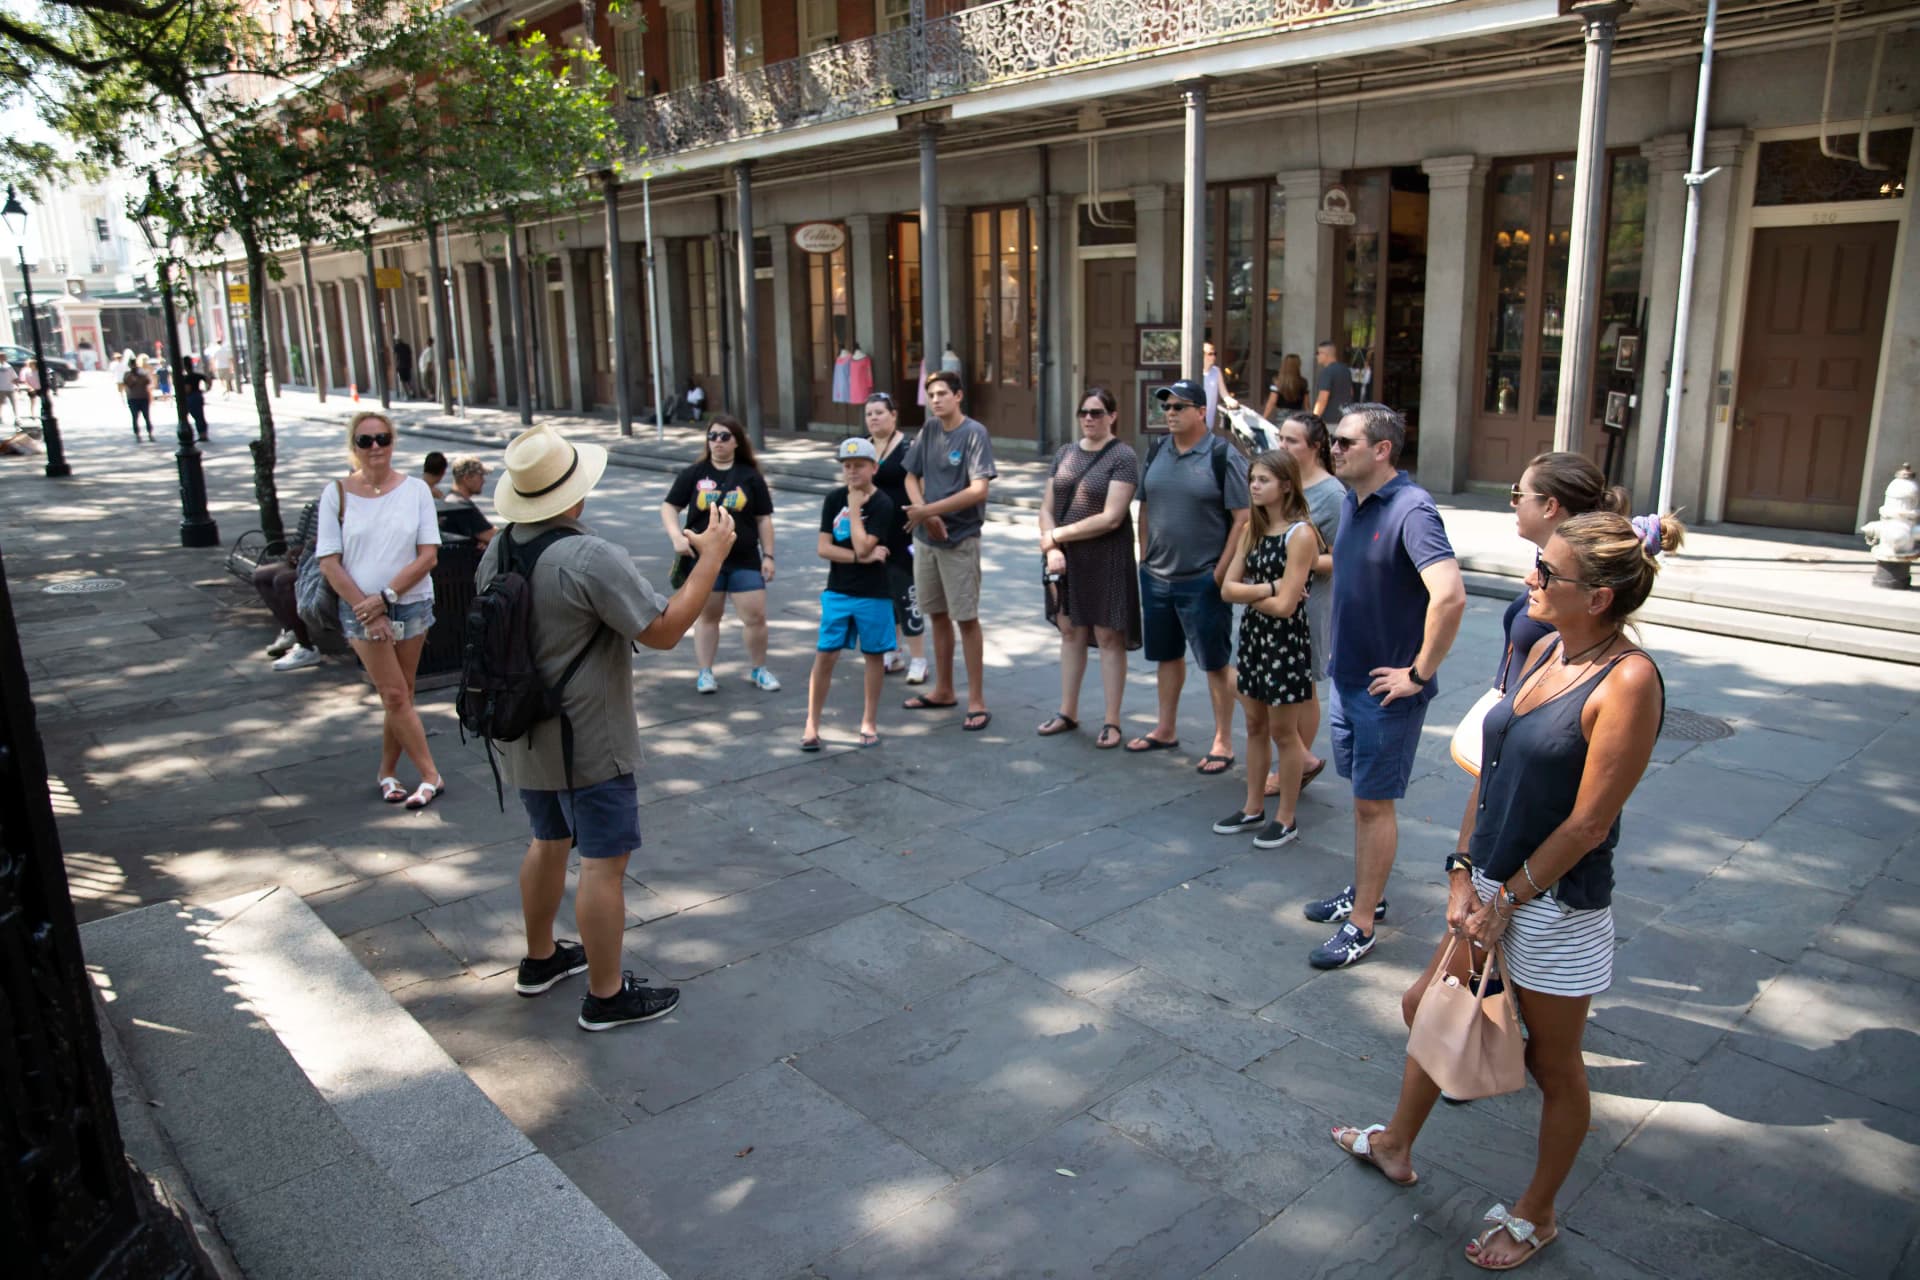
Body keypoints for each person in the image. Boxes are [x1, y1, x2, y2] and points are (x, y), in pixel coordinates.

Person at [1331, 511, 1671, 1273]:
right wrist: (1460, 871)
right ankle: (1395, 1144)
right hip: (1491, 889)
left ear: (1602, 599)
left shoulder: (1631, 681)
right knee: (1426, 1007)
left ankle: (1537, 1213)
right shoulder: (1545, 645)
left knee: (1554, 1066)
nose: (1531, 578)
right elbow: (1491, 764)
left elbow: (1587, 825)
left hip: (1553, 906)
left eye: (1549, 573)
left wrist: (1503, 902)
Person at [480, 422, 735, 1032]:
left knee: (547, 840)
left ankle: (541, 960)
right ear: (574, 492)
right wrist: (715, 557)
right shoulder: (588, 556)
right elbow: (665, 630)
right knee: (602, 863)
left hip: (523, 726)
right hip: (588, 735)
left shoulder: (501, 545)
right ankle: (606, 993)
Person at [1305, 403, 1465, 969]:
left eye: (1347, 442)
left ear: (1382, 450)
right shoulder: (1354, 499)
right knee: (1363, 802)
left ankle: (1363, 923)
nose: (1336, 449)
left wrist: (1418, 672)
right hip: (1348, 680)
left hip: (1385, 692)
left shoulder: (1413, 510)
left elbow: (1450, 594)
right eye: (1334, 441)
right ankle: (1365, 890)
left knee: (1374, 807)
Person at [314, 411, 445, 810]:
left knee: (401, 695)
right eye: (365, 440)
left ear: (393, 442)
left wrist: (385, 598)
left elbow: (428, 557)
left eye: (383, 439)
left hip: (411, 602)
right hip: (361, 611)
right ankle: (430, 775)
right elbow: (329, 562)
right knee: (392, 693)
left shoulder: (416, 491)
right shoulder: (335, 494)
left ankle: (387, 772)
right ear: (353, 445)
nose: (375, 447)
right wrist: (368, 608)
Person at [1128, 376, 1250, 775]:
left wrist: (1220, 572)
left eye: (1179, 406)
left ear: (1202, 412)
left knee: (1215, 663)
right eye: (1166, 407)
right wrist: (1143, 553)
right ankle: (1165, 728)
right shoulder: (1156, 450)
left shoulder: (1221, 455)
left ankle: (1223, 741)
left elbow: (1244, 519)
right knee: (1166, 656)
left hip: (1202, 579)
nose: (1170, 413)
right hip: (1157, 575)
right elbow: (1144, 504)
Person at [1213, 449, 1321, 848]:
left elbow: (1286, 607)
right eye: (1253, 479)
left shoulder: (1301, 533)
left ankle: (1286, 818)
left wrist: (1257, 594)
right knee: (1254, 724)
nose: (1255, 486)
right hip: (1256, 637)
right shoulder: (1252, 530)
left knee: (1283, 732)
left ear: (1287, 485)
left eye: (1264, 480)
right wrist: (1271, 587)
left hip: (1285, 642)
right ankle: (1252, 807)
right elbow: (1226, 588)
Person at [1037, 386, 1141, 749]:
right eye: (1084, 412)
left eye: (1097, 412)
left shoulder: (1123, 456)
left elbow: (1112, 517)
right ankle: (1068, 711)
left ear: (1112, 416)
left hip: (1106, 555)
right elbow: (1046, 506)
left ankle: (1112, 720)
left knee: (1109, 635)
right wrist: (1051, 544)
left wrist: (1058, 534)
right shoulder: (1065, 452)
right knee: (1070, 632)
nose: (1089, 419)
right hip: (1063, 557)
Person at [902, 369, 998, 731]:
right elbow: (910, 475)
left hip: (960, 539)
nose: (936, 399)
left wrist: (930, 511)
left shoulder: (974, 433)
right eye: (931, 394)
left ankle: (976, 699)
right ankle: (943, 688)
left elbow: (979, 490)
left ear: (959, 396)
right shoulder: (928, 431)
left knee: (966, 617)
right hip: (927, 539)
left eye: (943, 393)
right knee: (937, 615)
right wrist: (924, 514)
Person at [660, 413, 779, 693]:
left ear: (737, 441)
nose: (717, 442)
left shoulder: (750, 476)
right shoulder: (694, 473)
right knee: (707, 617)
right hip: (704, 560)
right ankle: (705, 673)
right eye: (712, 436)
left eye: (724, 436)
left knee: (755, 616)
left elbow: (764, 518)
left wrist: (769, 556)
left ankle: (759, 669)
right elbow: (669, 507)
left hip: (745, 559)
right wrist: (676, 537)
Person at [800, 438, 897, 751]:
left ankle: (869, 721)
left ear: (873, 468)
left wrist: (854, 510)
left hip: (874, 593)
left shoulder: (882, 503)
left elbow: (862, 544)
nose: (852, 472)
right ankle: (811, 723)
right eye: (847, 466)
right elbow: (823, 548)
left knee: (873, 655)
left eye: (859, 465)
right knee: (825, 654)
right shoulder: (832, 499)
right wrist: (860, 558)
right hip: (838, 591)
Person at [1267, 411, 1342, 797]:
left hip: (1310, 604)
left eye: (1291, 441)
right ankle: (1294, 758)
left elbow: (1344, 558)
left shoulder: (1332, 495)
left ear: (1315, 447)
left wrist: (1304, 562)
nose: (1282, 446)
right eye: (1280, 438)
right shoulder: (1281, 483)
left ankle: (1296, 763)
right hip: (1271, 599)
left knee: (1303, 686)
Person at [865, 391, 927, 683]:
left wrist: (922, 515)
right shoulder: (862, 447)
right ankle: (894, 650)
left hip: (903, 532)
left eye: (879, 412)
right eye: (869, 414)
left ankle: (919, 658)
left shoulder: (908, 447)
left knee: (906, 594)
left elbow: (921, 485)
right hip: (872, 533)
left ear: (893, 415)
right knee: (882, 592)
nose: (874, 418)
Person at [259, 502, 324, 671]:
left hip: (329, 563)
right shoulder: (337, 497)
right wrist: (299, 550)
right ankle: (291, 629)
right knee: (261, 575)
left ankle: (306, 647)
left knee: (284, 582)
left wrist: (309, 549)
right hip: (311, 558)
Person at [438, 456, 496, 548]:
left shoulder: (449, 500)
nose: (483, 481)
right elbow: (492, 536)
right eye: (480, 476)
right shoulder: (461, 506)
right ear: (467, 478)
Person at [1312, 340, 1355, 421]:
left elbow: (1323, 398)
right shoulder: (1345, 370)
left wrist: (1314, 418)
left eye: (1318, 353)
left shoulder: (1327, 372)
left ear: (1326, 354)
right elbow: (1351, 392)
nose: (1316, 356)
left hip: (1329, 420)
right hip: (1345, 418)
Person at [1264, 353, 1309, 421]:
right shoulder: (1303, 382)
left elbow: (1271, 402)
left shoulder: (1277, 381)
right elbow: (1306, 404)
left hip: (1282, 415)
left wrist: (1264, 417)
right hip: (1298, 416)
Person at [123, 356, 156, 441]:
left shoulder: (142, 373)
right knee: (135, 417)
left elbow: (147, 381)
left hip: (143, 397)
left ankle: (150, 433)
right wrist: (133, 376)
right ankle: (137, 434)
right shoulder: (127, 374)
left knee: (147, 416)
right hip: (133, 398)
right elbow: (128, 384)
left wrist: (140, 375)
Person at [179, 356, 211, 441]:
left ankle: (198, 434)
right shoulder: (196, 375)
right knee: (200, 416)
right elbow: (207, 379)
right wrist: (208, 388)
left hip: (191, 397)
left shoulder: (186, 377)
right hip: (197, 395)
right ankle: (203, 434)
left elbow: (187, 389)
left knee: (194, 416)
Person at [0, 359, 16, 427]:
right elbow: (14, 377)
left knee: (13, 404)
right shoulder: (9, 366)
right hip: (3, 388)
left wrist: (16, 384)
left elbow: (13, 377)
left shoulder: (9, 366)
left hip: (9, 388)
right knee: (1, 404)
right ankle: (0, 417)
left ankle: (16, 417)